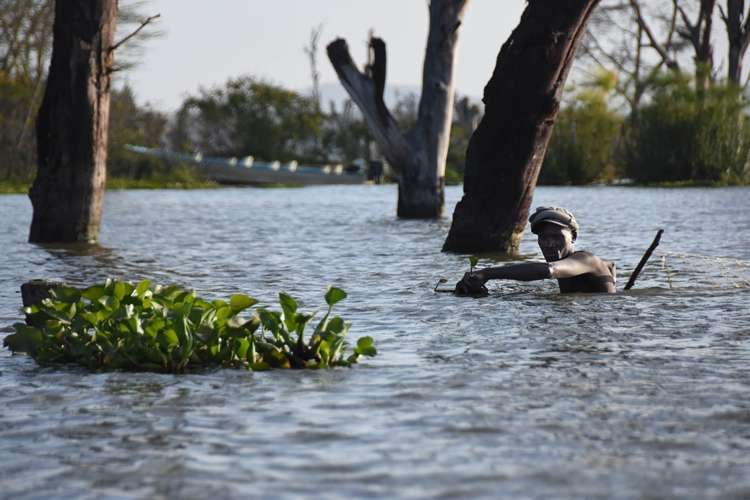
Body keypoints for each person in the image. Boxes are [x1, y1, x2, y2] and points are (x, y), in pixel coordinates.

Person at [455, 207, 616, 295]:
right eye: (543, 237)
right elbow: (609, 264)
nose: (549, 243)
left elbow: (547, 270)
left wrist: (487, 273)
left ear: (573, 237)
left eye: (556, 236)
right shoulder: (580, 264)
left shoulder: (585, 259)